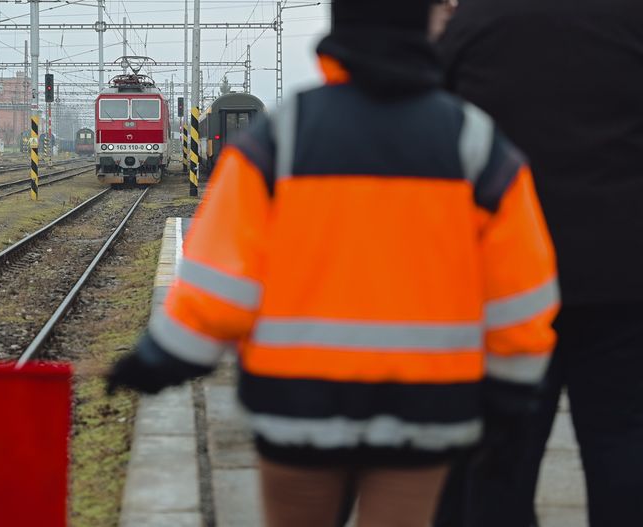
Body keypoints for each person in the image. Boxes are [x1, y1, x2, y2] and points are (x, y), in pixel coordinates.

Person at [107, 1, 559, 525]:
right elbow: (523, 296)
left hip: (297, 404)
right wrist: (509, 393)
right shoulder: (475, 142)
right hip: (428, 407)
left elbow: (221, 282)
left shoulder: (282, 137)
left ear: (339, 30)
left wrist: (165, 356)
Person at [434, 1, 643, 526]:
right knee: (623, 436)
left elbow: (439, 128)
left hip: (509, 282)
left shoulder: (480, 21)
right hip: (630, 274)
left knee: (503, 449)